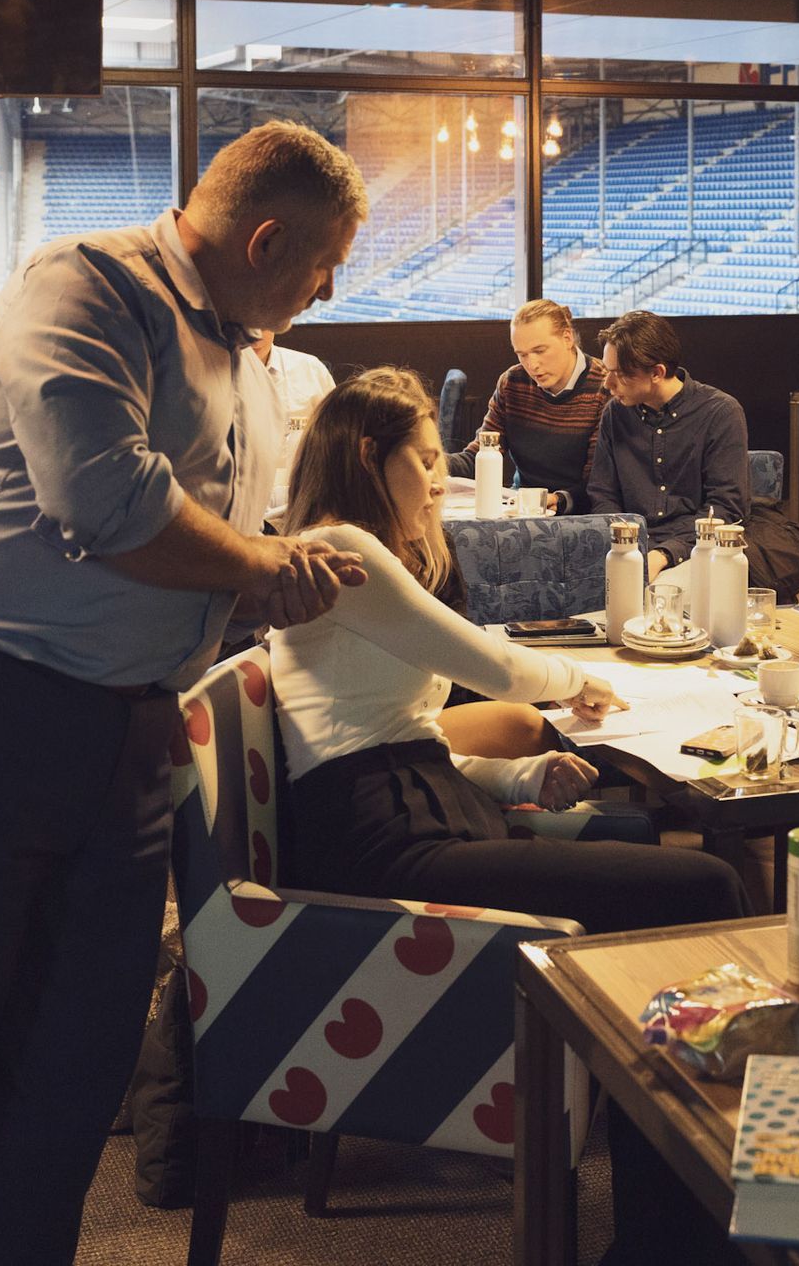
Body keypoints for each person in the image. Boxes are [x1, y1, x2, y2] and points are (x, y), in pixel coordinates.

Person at [0, 121, 372, 1265]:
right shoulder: (86, 284)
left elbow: (214, 543)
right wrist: (265, 568)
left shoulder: (250, 362)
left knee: (67, 1060)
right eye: (326, 264)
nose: (331, 286)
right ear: (266, 237)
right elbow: (105, 500)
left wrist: (276, 578)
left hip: (130, 729)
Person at [274, 367, 751, 932]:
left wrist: (519, 778)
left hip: (414, 815)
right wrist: (579, 680)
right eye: (425, 461)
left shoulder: (356, 548)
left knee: (698, 876)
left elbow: (406, 742)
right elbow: (493, 668)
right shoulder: (338, 548)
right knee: (707, 884)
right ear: (366, 456)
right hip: (383, 847)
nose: (437, 481)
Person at [588, 310, 748, 580]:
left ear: (657, 372)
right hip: (629, 544)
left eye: (619, 374)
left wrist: (663, 554)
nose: (607, 384)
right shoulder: (615, 413)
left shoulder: (720, 412)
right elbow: (602, 494)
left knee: (666, 593)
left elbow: (725, 508)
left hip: (695, 547)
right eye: (607, 371)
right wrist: (628, 546)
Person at [449, 299, 609, 515]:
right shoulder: (513, 382)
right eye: (522, 354)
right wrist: (432, 464)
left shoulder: (604, 386)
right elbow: (478, 456)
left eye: (540, 350)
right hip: (522, 506)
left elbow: (598, 482)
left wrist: (558, 500)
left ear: (567, 338)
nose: (532, 365)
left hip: (577, 512)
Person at [254, 330, 338, 510]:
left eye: (264, 324)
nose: (256, 333)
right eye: (248, 324)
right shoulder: (214, 371)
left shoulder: (310, 370)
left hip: (303, 508)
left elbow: (336, 444)